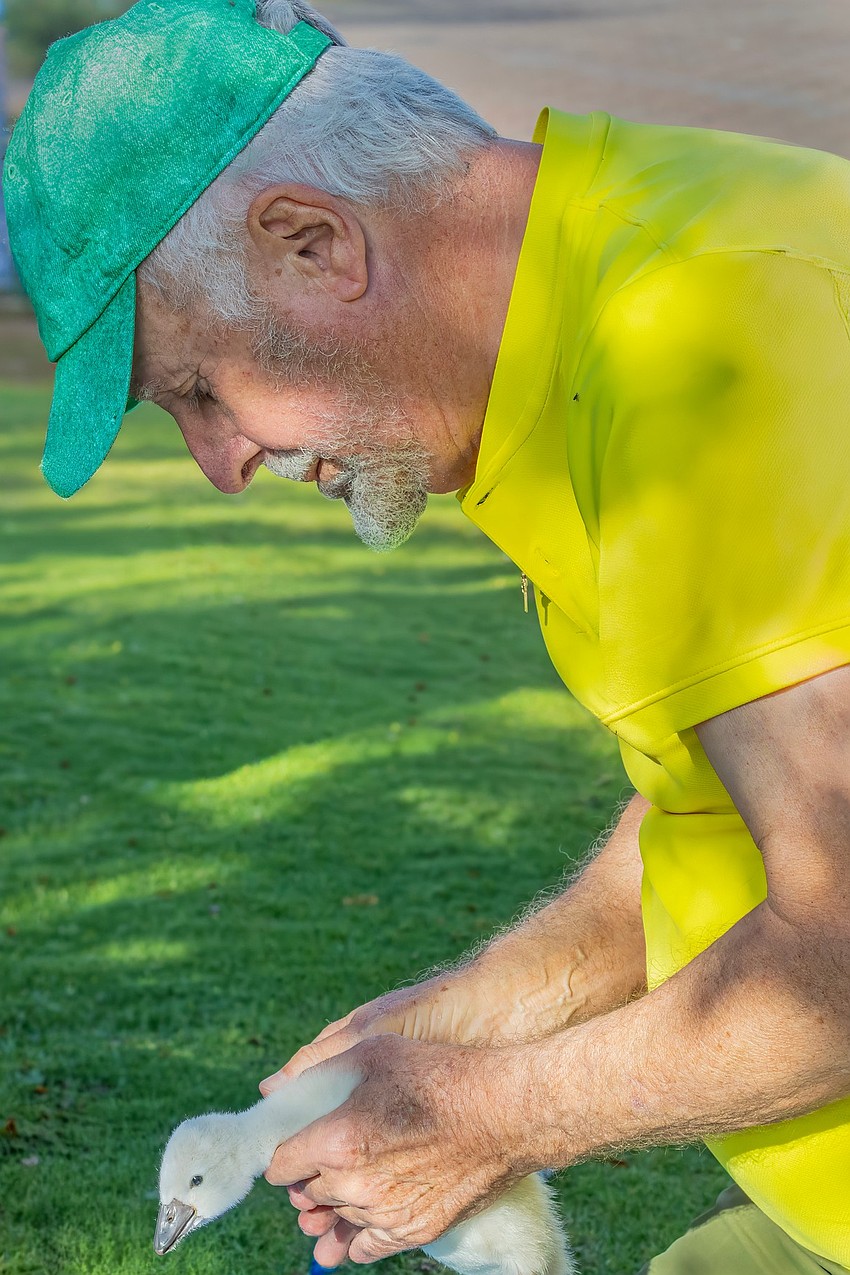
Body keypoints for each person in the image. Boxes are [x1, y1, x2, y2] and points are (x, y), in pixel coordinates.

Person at [6, 1, 850, 1271]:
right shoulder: (571, 348)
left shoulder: (701, 349)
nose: (219, 464)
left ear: (312, 244)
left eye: (197, 389)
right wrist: (445, 1027)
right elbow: (720, 810)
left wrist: (492, 1118)